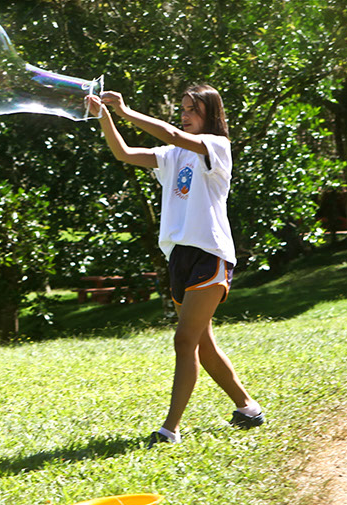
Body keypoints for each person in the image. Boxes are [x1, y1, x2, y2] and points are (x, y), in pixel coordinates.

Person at [86, 85, 264, 448]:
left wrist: (125, 111)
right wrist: (103, 116)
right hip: (179, 256)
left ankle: (169, 430)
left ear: (211, 113)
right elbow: (124, 153)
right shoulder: (172, 156)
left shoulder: (217, 146)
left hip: (209, 253)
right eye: (182, 109)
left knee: (184, 340)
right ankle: (248, 408)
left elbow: (172, 134)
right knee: (203, 344)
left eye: (192, 109)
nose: (185, 115)